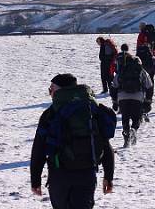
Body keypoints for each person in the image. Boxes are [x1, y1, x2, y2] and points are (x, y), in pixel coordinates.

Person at [30, 74, 115, 209]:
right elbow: (105, 145)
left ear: (61, 91)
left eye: (51, 89)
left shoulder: (51, 114)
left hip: (60, 176)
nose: (50, 92)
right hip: (87, 173)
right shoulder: (92, 110)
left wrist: (35, 180)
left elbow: (38, 149)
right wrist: (108, 176)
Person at [112, 44, 153, 147]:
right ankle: (134, 129)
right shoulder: (141, 70)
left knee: (125, 118)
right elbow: (149, 86)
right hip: (137, 97)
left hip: (122, 97)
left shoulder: (121, 71)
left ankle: (126, 138)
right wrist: (148, 101)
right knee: (136, 118)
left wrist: (114, 101)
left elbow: (114, 86)